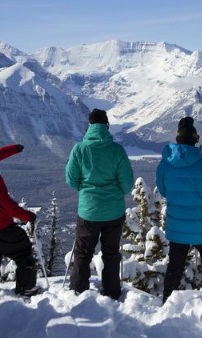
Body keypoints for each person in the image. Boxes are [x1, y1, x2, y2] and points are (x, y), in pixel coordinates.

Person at [156, 116, 202, 303]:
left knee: (175, 267)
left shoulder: (165, 165)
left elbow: (163, 190)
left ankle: (167, 302)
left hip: (177, 224)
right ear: (195, 139)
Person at [66, 108, 134, 300]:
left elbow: (71, 179)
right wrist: (113, 193)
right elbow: (127, 182)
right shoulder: (117, 150)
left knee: (82, 252)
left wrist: (87, 191)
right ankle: (111, 292)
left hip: (88, 212)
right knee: (111, 253)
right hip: (113, 212)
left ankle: (78, 292)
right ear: (106, 125)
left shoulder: (79, 149)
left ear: (89, 126)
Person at [0, 142, 39, 296]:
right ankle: (26, 288)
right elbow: (4, 202)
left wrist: (13, 149)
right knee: (23, 251)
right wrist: (27, 216)